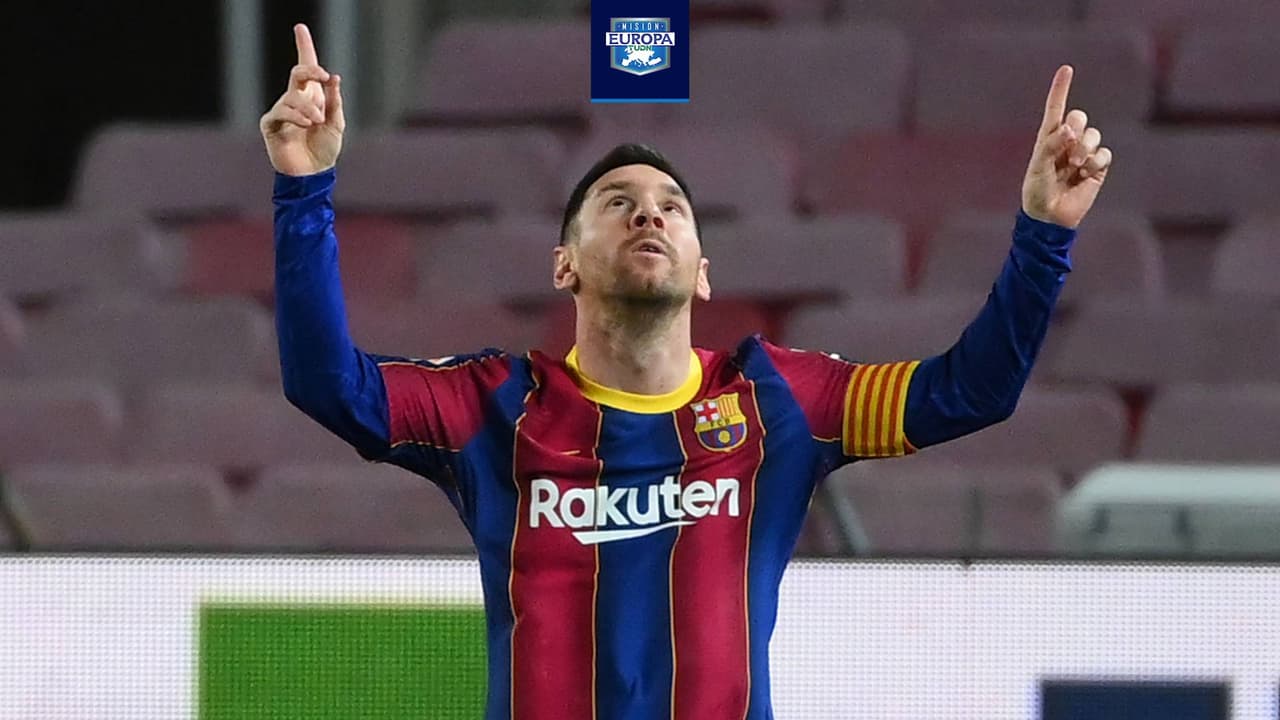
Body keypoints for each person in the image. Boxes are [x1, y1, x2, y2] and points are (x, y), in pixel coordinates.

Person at [263, 22, 1112, 720]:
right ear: (564, 265)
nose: (650, 215)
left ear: (703, 271)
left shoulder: (780, 402)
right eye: (619, 203)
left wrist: (1045, 234)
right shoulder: (492, 408)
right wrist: (305, 187)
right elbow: (327, 384)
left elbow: (972, 391)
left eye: (672, 207)